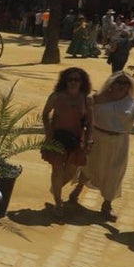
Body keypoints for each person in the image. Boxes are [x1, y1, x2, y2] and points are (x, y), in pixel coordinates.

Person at [67, 72, 134, 222]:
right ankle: (77, 190)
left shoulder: (133, 103)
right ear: (111, 83)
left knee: (114, 173)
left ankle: (107, 204)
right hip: (96, 138)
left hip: (119, 142)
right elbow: (81, 113)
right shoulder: (97, 98)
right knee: (88, 166)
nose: (121, 86)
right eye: (118, 82)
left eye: (125, 83)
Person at [41, 67, 94, 218]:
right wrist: (47, 130)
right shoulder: (56, 96)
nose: (73, 82)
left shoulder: (87, 99)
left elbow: (90, 122)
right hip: (56, 138)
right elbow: (45, 113)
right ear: (65, 81)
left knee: (70, 173)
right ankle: (58, 203)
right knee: (57, 170)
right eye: (70, 79)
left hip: (77, 140)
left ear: (82, 82)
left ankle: (55, 187)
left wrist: (90, 139)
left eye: (76, 80)